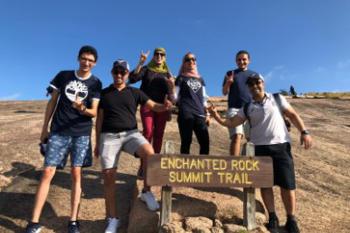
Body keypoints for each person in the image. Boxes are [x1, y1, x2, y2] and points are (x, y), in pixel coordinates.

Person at [209, 74, 312, 233]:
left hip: (281, 146)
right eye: (250, 84)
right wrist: (216, 115)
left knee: (287, 185)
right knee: (265, 185)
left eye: (257, 82)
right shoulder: (247, 106)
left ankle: (291, 218)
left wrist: (304, 132)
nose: (254, 85)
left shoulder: (277, 98)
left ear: (263, 83)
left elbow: (292, 115)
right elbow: (231, 122)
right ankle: (272, 216)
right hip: (259, 148)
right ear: (248, 88)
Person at [25, 45, 102, 233]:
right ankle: (34, 222)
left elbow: (93, 112)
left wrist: (81, 108)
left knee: (76, 174)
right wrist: (45, 129)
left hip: (81, 133)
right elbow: (52, 102)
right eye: (84, 58)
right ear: (78, 58)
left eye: (91, 60)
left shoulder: (96, 83)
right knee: (47, 172)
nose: (87, 63)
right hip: (58, 131)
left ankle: (73, 221)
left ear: (95, 63)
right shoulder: (63, 76)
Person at [95, 59, 172, 233]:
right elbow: (99, 120)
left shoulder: (135, 92)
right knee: (108, 175)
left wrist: (165, 106)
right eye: (116, 71)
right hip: (109, 136)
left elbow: (154, 106)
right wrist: (97, 142)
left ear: (128, 73)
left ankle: (146, 191)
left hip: (131, 134)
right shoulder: (104, 93)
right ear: (112, 72)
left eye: (122, 72)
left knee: (150, 153)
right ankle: (113, 219)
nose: (119, 75)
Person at [129, 48, 174, 177]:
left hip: (162, 107)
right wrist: (141, 63)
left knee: (159, 134)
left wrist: (169, 104)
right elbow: (133, 78)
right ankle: (143, 166)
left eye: (162, 54)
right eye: (157, 54)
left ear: (165, 57)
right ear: (153, 56)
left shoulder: (168, 73)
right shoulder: (147, 69)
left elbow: (171, 93)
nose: (159, 56)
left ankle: (154, 166)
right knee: (148, 132)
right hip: (147, 104)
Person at [172, 52, 210, 155]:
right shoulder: (180, 78)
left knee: (205, 143)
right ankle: (184, 170)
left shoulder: (201, 79)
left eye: (193, 59)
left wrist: (208, 114)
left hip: (200, 113)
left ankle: (202, 170)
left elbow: (204, 98)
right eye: (188, 59)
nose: (191, 61)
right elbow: (174, 97)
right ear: (184, 63)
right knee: (186, 142)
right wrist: (171, 86)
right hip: (186, 112)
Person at [222, 50, 256, 156]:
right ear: (236, 61)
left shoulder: (254, 75)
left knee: (252, 139)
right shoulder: (230, 74)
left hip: (251, 109)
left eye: (244, 59)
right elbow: (224, 92)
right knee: (237, 136)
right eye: (239, 60)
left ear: (249, 60)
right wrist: (228, 83)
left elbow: (259, 92)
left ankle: (249, 166)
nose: (241, 61)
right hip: (235, 109)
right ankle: (234, 165)